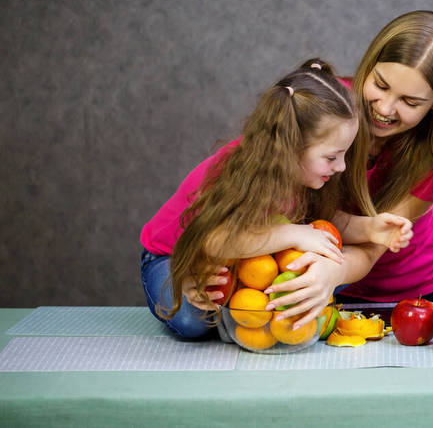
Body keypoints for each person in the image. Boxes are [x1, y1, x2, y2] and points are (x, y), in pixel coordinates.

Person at [140, 59, 412, 339]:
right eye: (332, 157)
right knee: (191, 320)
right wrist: (290, 233)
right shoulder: (242, 171)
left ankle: (250, 310)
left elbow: (329, 219)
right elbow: (216, 240)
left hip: (243, 256)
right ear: (292, 147)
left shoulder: (306, 175)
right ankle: (222, 302)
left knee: (322, 269)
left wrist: (370, 228)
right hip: (176, 255)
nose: (342, 167)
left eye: (344, 154)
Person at [265, 11, 433, 327]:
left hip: (427, 292)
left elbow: (372, 248)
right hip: (334, 281)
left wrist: (335, 272)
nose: (384, 109)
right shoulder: (328, 107)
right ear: (369, 66)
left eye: (410, 102)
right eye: (380, 85)